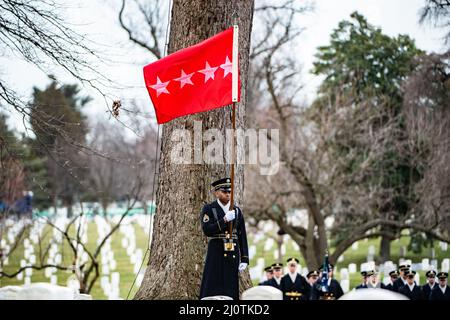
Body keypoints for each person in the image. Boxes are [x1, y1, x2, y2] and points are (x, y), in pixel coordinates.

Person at [199, 178, 249, 300]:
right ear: (216, 193)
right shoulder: (209, 208)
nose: (227, 194)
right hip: (216, 249)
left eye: (229, 192)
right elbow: (207, 230)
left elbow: (242, 235)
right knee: (212, 281)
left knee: (230, 284)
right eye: (224, 191)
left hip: (232, 250)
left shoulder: (236, 210)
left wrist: (244, 258)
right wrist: (224, 220)